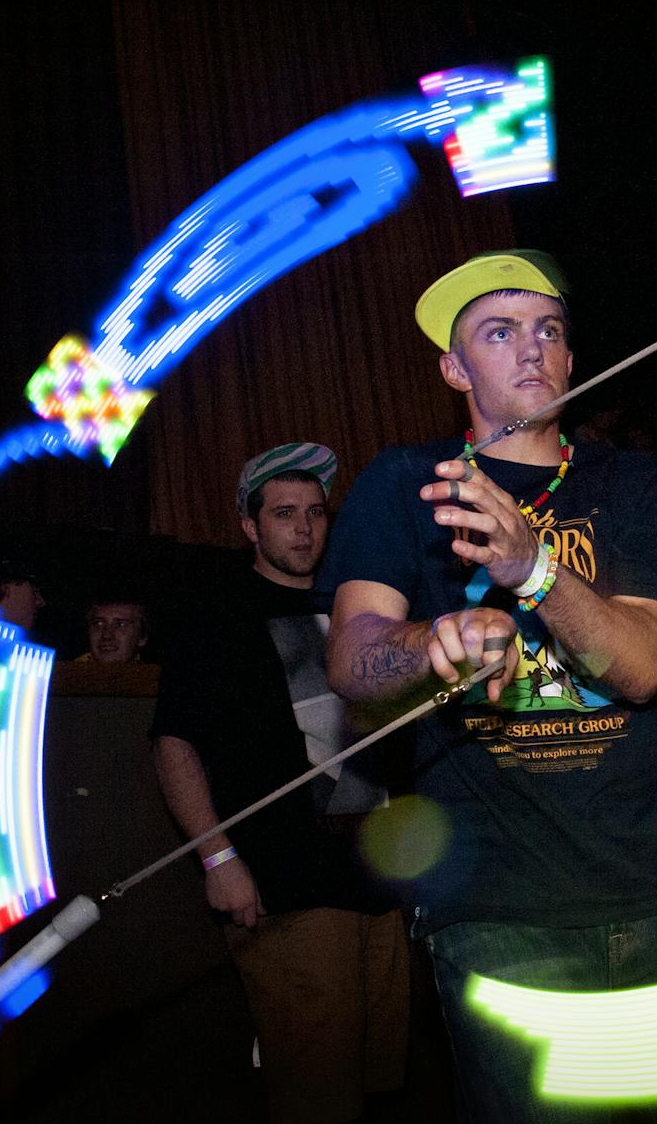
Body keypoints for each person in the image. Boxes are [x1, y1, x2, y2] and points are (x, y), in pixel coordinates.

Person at [320, 251, 657, 1123]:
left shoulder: (637, 484)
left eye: (548, 331)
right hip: (499, 913)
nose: (532, 349)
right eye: (499, 332)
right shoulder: (402, 483)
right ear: (455, 368)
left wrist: (533, 570)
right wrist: (433, 641)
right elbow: (354, 657)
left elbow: (641, 666)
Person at [151, 442, 407, 1124]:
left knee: (381, 1087)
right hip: (288, 890)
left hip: (379, 884)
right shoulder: (218, 614)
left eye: (316, 513)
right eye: (284, 513)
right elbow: (175, 745)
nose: (304, 528)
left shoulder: (358, 606)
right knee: (316, 1096)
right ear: (249, 525)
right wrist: (218, 857)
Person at [82, 598, 149, 663]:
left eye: (121, 625)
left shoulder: (151, 673)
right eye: (99, 624)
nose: (107, 635)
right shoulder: (73, 673)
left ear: (142, 637)